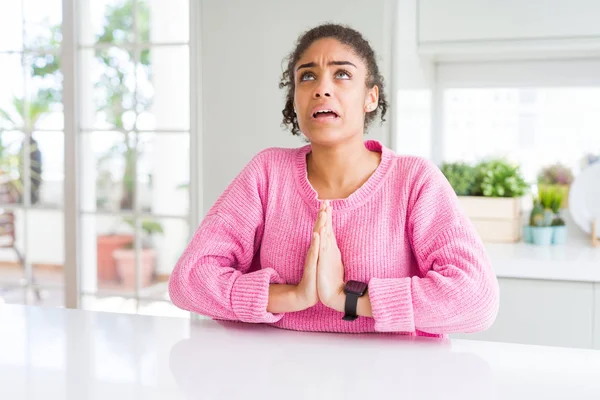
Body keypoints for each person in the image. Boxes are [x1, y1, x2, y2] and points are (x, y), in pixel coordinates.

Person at [169, 23, 499, 337]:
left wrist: (345, 298)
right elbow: (189, 280)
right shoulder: (267, 173)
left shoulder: (414, 181)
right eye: (307, 76)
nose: (322, 88)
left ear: (371, 97)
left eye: (342, 74)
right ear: (295, 98)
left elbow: (476, 298)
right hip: (276, 373)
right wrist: (295, 296)